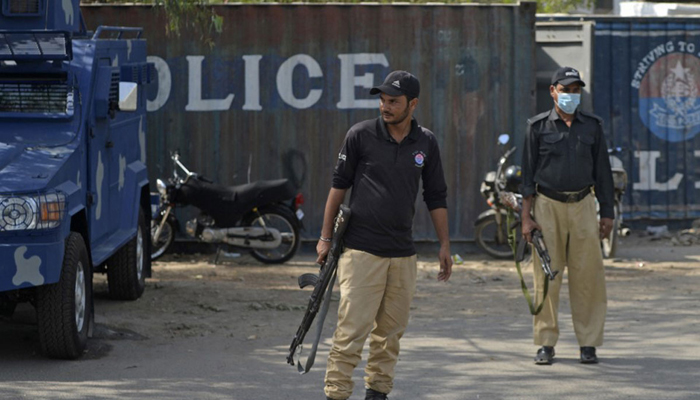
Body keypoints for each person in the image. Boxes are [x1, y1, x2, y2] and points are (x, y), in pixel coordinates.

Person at [317, 70, 452, 400]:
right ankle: (336, 394)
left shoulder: (426, 142)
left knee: (389, 336)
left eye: (394, 101)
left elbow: (435, 196)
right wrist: (325, 238)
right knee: (351, 333)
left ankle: (377, 393)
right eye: (382, 100)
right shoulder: (360, 135)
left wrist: (445, 244)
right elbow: (338, 188)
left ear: (413, 104)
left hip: (403, 255)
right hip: (361, 252)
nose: (385, 106)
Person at [520, 66, 614, 365]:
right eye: (565, 90)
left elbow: (603, 173)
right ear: (553, 92)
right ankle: (545, 343)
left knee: (589, 277)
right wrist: (526, 218)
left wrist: (607, 213)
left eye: (576, 91)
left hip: (584, 205)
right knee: (547, 276)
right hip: (547, 206)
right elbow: (527, 179)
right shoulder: (536, 127)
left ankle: (588, 343)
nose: (571, 96)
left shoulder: (592, 126)